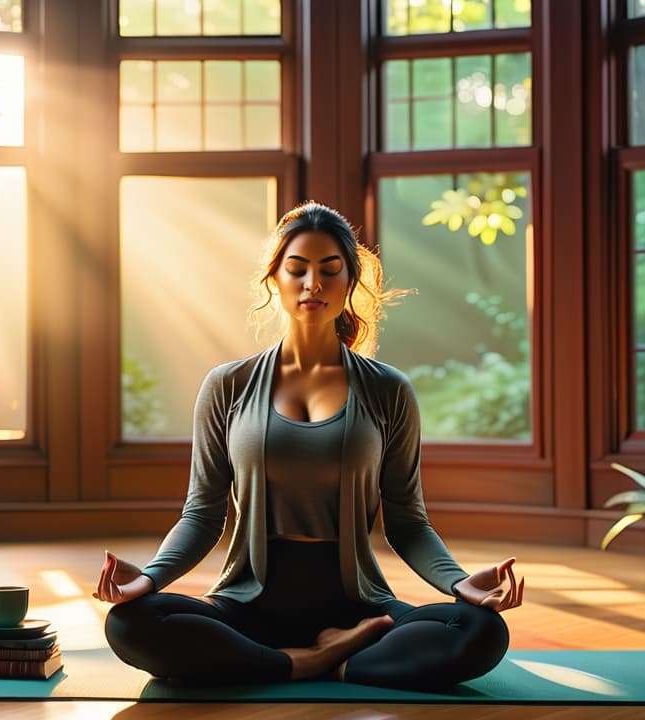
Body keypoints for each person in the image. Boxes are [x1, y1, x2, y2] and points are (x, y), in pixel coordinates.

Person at [94, 201, 524, 690]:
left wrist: (458, 582)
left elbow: (407, 521)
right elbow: (202, 514)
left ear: (350, 282)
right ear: (273, 279)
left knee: (480, 630)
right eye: (296, 270)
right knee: (129, 622)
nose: (312, 285)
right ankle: (307, 662)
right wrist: (148, 579)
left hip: (356, 604)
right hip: (249, 602)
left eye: (329, 270)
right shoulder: (227, 385)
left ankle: (317, 658)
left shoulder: (388, 390)